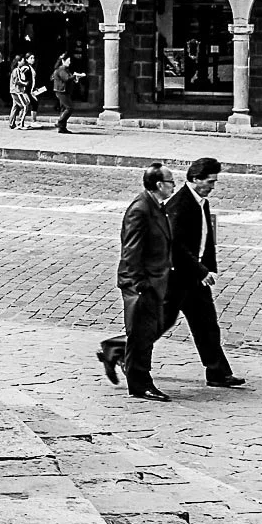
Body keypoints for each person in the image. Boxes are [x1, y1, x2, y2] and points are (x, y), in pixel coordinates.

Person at [160, 157, 245, 388]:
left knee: (207, 324)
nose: (213, 186)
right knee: (159, 323)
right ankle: (121, 351)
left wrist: (210, 268)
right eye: (210, 181)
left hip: (194, 278)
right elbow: (176, 246)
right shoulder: (179, 205)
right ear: (196, 179)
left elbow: (206, 239)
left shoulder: (201, 202)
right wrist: (201, 271)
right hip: (176, 278)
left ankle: (217, 372)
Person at [95, 162, 176, 401]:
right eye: (171, 182)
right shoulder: (141, 209)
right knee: (141, 335)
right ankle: (140, 384)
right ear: (160, 184)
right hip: (140, 285)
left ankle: (121, 359)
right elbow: (131, 252)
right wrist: (142, 285)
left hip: (153, 282)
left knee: (147, 332)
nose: (173, 186)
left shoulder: (156, 206)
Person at [51, 51, 79, 133]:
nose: (69, 63)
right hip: (61, 91)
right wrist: (75, 76)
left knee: (63, 108)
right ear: (63, 61)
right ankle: (59, 122)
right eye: (68, 61)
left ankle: (62, 128)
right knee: (69, 108)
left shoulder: (65, 69)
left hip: (64, 90)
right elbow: (66, 78)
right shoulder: (61, 69)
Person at [8, 52, 35, 130]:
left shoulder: (17, 70)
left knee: (15, 107)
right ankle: (21, 123)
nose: (23, 62)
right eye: (22, 61)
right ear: (18, 62)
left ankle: (11, 123)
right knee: (25, 106)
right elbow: (18, 81)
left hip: (15, 90)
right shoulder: (16, 70)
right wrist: (25, 84)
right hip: (17, 91)